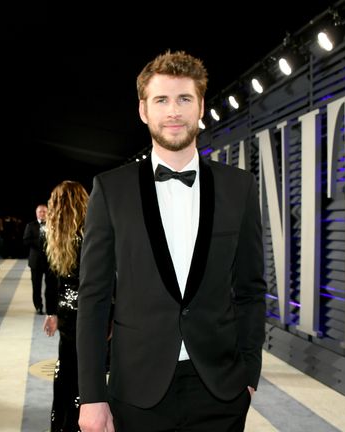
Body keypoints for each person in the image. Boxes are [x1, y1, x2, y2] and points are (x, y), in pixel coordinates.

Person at [77, 51, 266, 432]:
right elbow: (94, 299)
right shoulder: (111, 190)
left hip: (220, 388)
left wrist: (248, 373)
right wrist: (92, 396)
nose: (174, 111)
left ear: (200, 107)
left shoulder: (238, 187)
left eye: (184, 99)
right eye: (161, 100)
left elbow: (251, 290)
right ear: (143, 110)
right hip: (137, 389)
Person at [42, 181, 88, 432]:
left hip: (67, 312)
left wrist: (52, 313)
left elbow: (51, 279)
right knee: (89, 371)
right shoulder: (91, 231)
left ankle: (64, 423)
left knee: (67, 368)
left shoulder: (53, 235)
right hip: (91, 311)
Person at [23, 204, 54, 314]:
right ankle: (38, 306)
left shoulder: (53, 225)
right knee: (36, 286)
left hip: (50, 261)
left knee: (51, 286)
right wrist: (40, 242)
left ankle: (50, 306)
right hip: (35, 261)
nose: (42, 214)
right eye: (40, 212)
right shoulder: (30, 225)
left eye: (44, 211)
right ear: (36, 213)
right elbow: (26, 241)